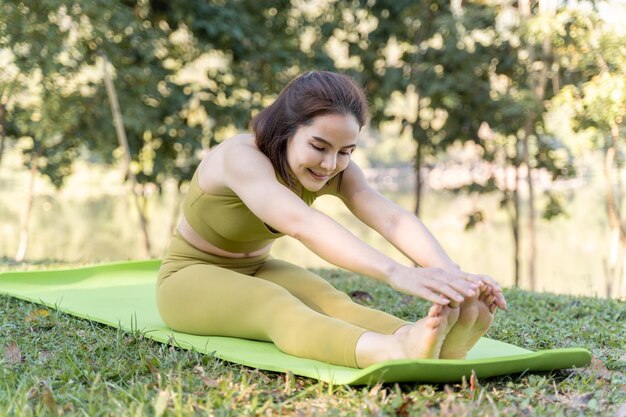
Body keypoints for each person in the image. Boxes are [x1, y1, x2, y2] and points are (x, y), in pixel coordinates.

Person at [156, 71, 507, 369]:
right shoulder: (240, 158)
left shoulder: (335, 167)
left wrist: (451, 275)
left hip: (257, 266)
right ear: (285, 130)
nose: (330, 164)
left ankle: (429, 343)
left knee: (335, 303)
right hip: (187, 276)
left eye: (345, 151)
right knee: (275, 306)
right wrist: (399, 273)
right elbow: (301, 222)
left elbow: (391, 219)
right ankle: (390, 351)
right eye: (319, 146)